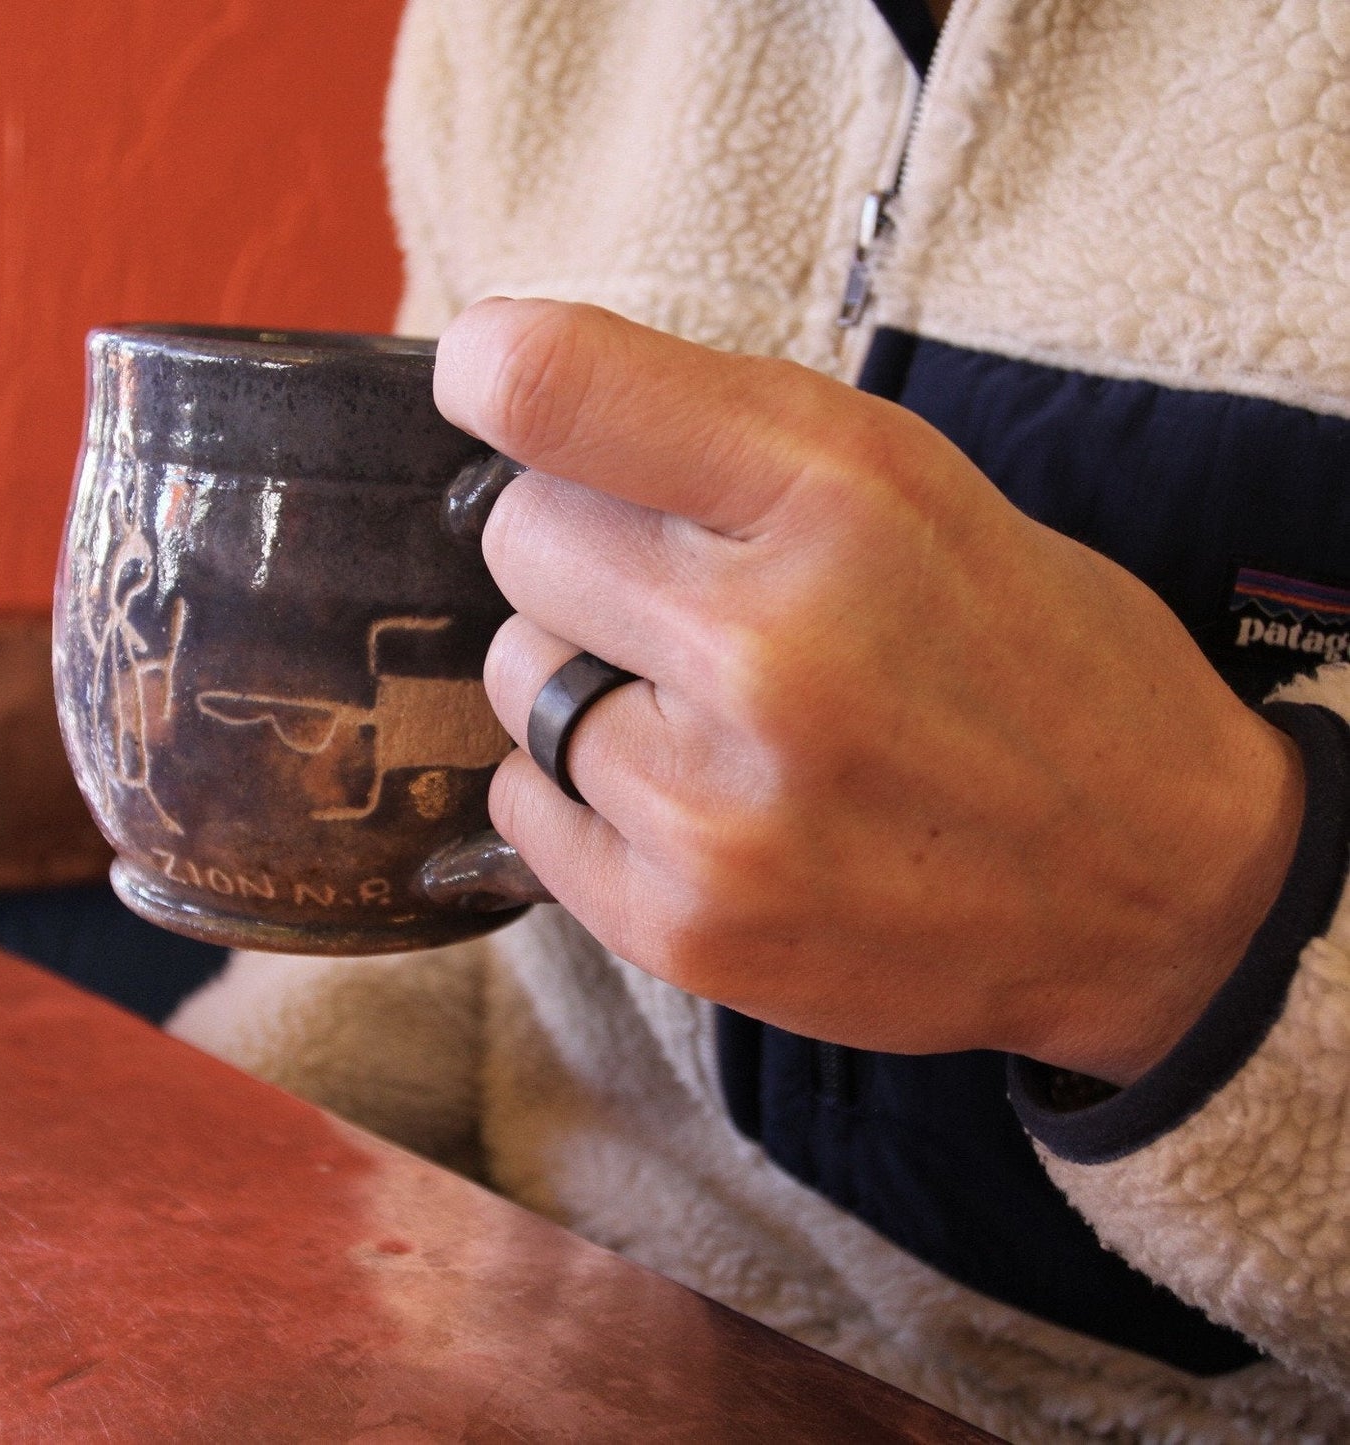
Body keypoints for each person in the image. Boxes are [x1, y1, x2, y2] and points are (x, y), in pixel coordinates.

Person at [169, 1, 1350, 1438]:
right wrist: (199, 1206)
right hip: (552, 1319)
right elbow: (432, 876)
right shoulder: (512, 25)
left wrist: (1206, 929)